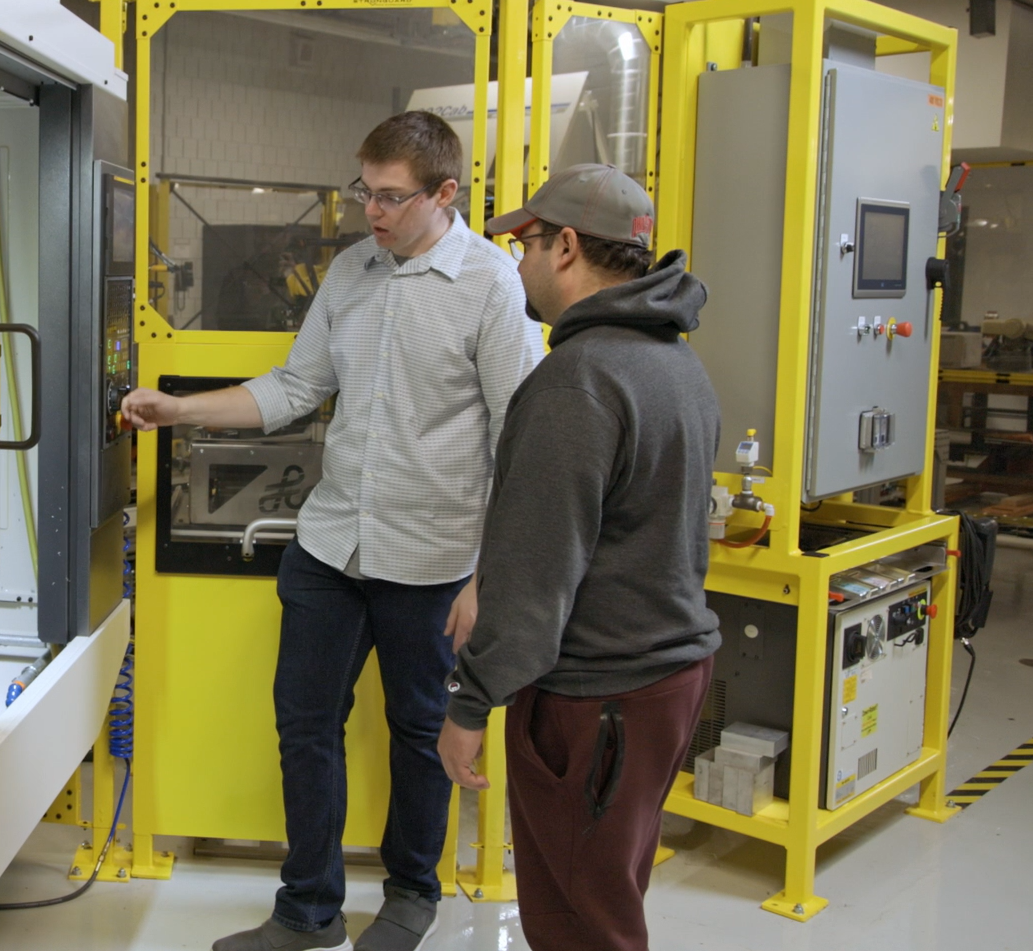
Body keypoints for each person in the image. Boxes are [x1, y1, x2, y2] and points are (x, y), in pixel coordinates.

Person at [122, 111, 544, 951]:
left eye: (391, 198)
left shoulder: (493, 286)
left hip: (432, 559)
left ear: (444, 193)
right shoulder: (351, 272)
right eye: (365, 192)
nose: (371, 213)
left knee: (420, 731)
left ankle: (411, 896)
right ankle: (306, 910)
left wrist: (484, 578)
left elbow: (519, 437)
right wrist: (178, 409)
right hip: (330, 545)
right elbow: (293, 386)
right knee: (304, 724)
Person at [438, 164, 723, 951]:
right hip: (666, 678)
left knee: (576, 922)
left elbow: (537, 581)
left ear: (565, 246)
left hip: (596, 696)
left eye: (525, 243)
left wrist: (469, 706)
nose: (518, 262)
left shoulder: (578, 381)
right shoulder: (677, 363)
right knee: (608, 893)